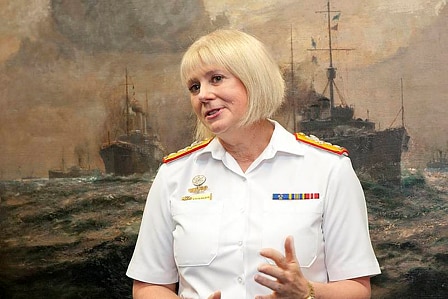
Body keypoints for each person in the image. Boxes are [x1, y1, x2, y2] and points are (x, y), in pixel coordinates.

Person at [126, 29, 381, 299]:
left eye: (216, 79)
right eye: (194, 87)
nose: (203, 95)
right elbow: (149, 286)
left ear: (254, 80)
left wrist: (306, 291)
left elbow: (357, 289)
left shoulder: (329, 169)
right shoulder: (173, 175)